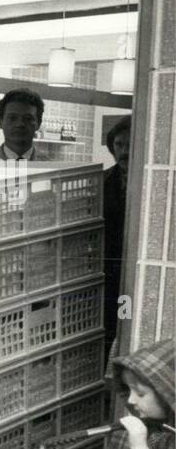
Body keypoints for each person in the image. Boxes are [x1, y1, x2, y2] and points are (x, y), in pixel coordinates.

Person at [101, 117, 130, 352]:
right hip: (108, 271)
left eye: (130, 145)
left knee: (129, 327)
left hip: (133, 273)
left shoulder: (155, 180)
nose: (124, 151)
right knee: (106, 329)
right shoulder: (103, 181)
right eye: (119, 145)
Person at [0, 88, 44, 161]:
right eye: (12, 118)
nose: (20, 124)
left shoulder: (52, 168)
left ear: (39, 124)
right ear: (0, 122)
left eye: (28, 119)